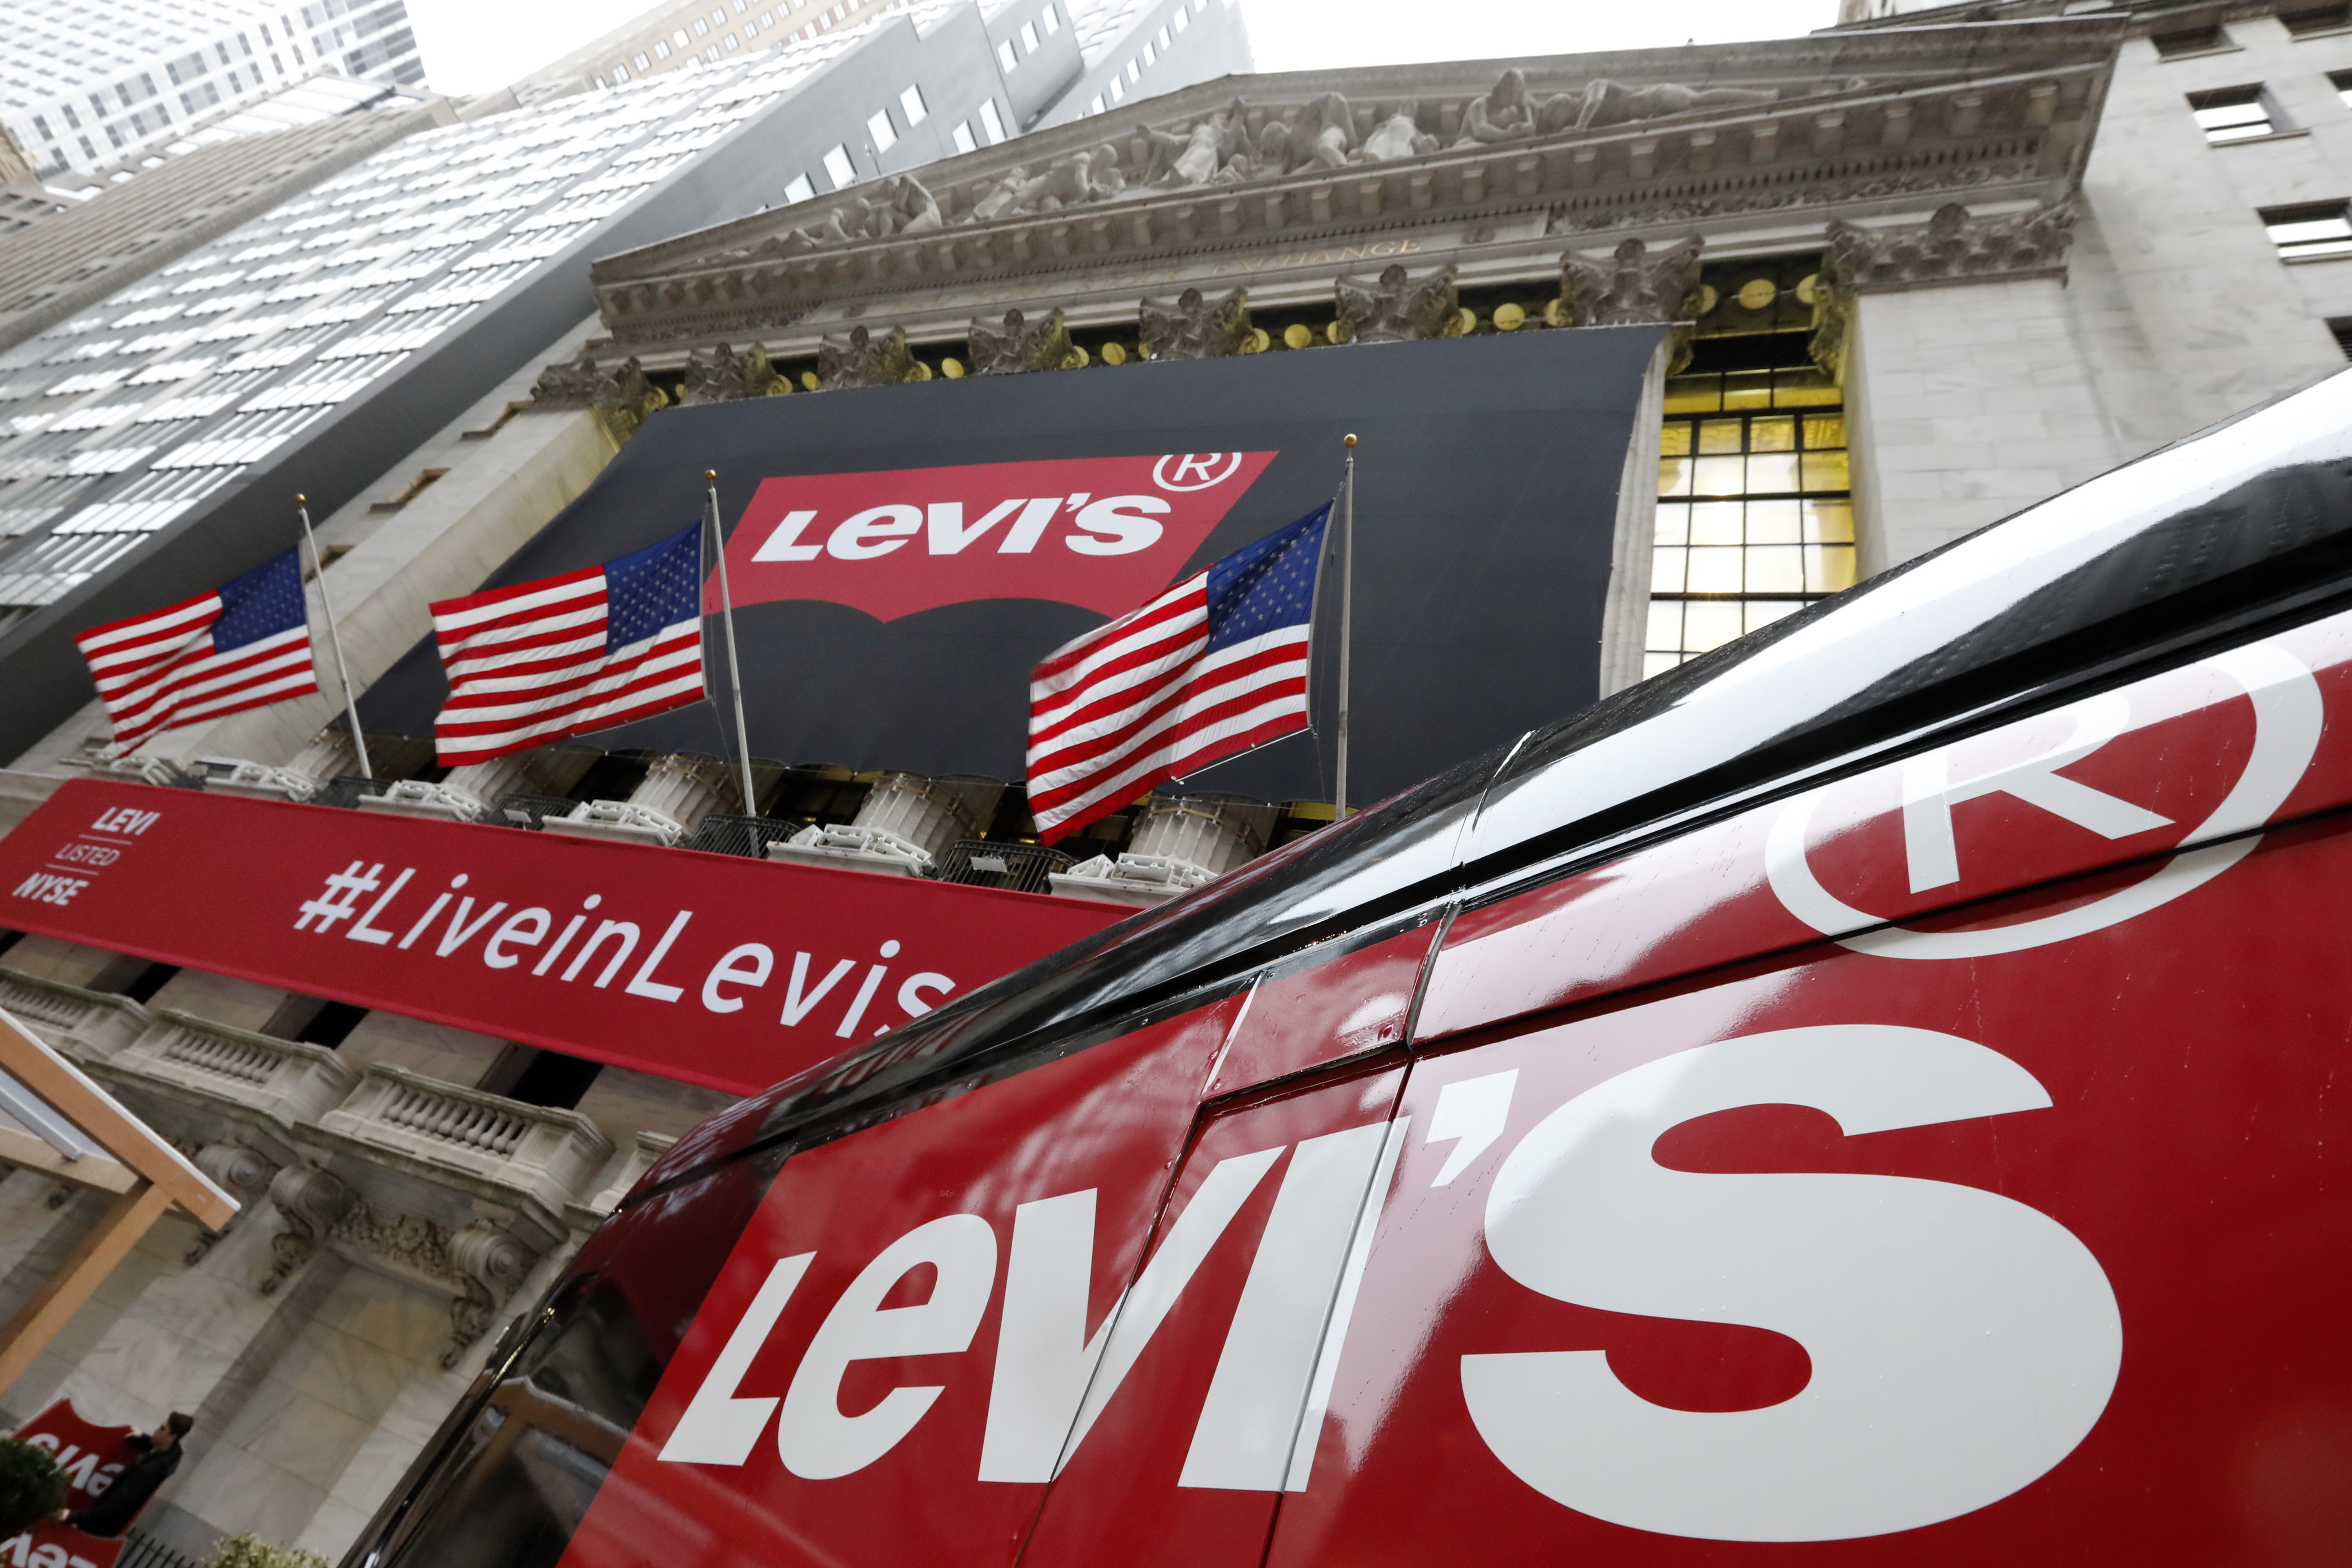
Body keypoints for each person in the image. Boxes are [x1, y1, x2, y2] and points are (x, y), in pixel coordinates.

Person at [63, 1412, 191, 1538]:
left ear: (173, 1437)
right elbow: (157, 1447)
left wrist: (72, 1517)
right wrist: (142, 1438)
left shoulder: (149, 1471)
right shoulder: (171, 1455)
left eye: (163, 1429)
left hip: (98, 1529)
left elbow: (115, 1506)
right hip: (105, 1527)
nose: (157, 1430)